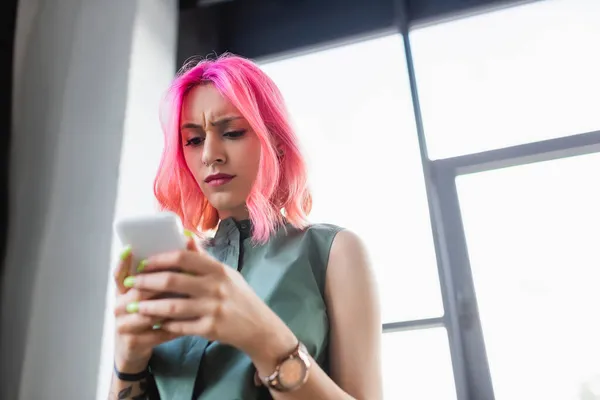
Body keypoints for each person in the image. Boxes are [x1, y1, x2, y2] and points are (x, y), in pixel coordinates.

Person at [109, 54, 382, 400]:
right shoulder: (177, 267)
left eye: (233, 132)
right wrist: (127, 360)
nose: (210, 154)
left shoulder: (334, 253)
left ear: (278, 143)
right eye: (193, 140)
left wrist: (265, 339)